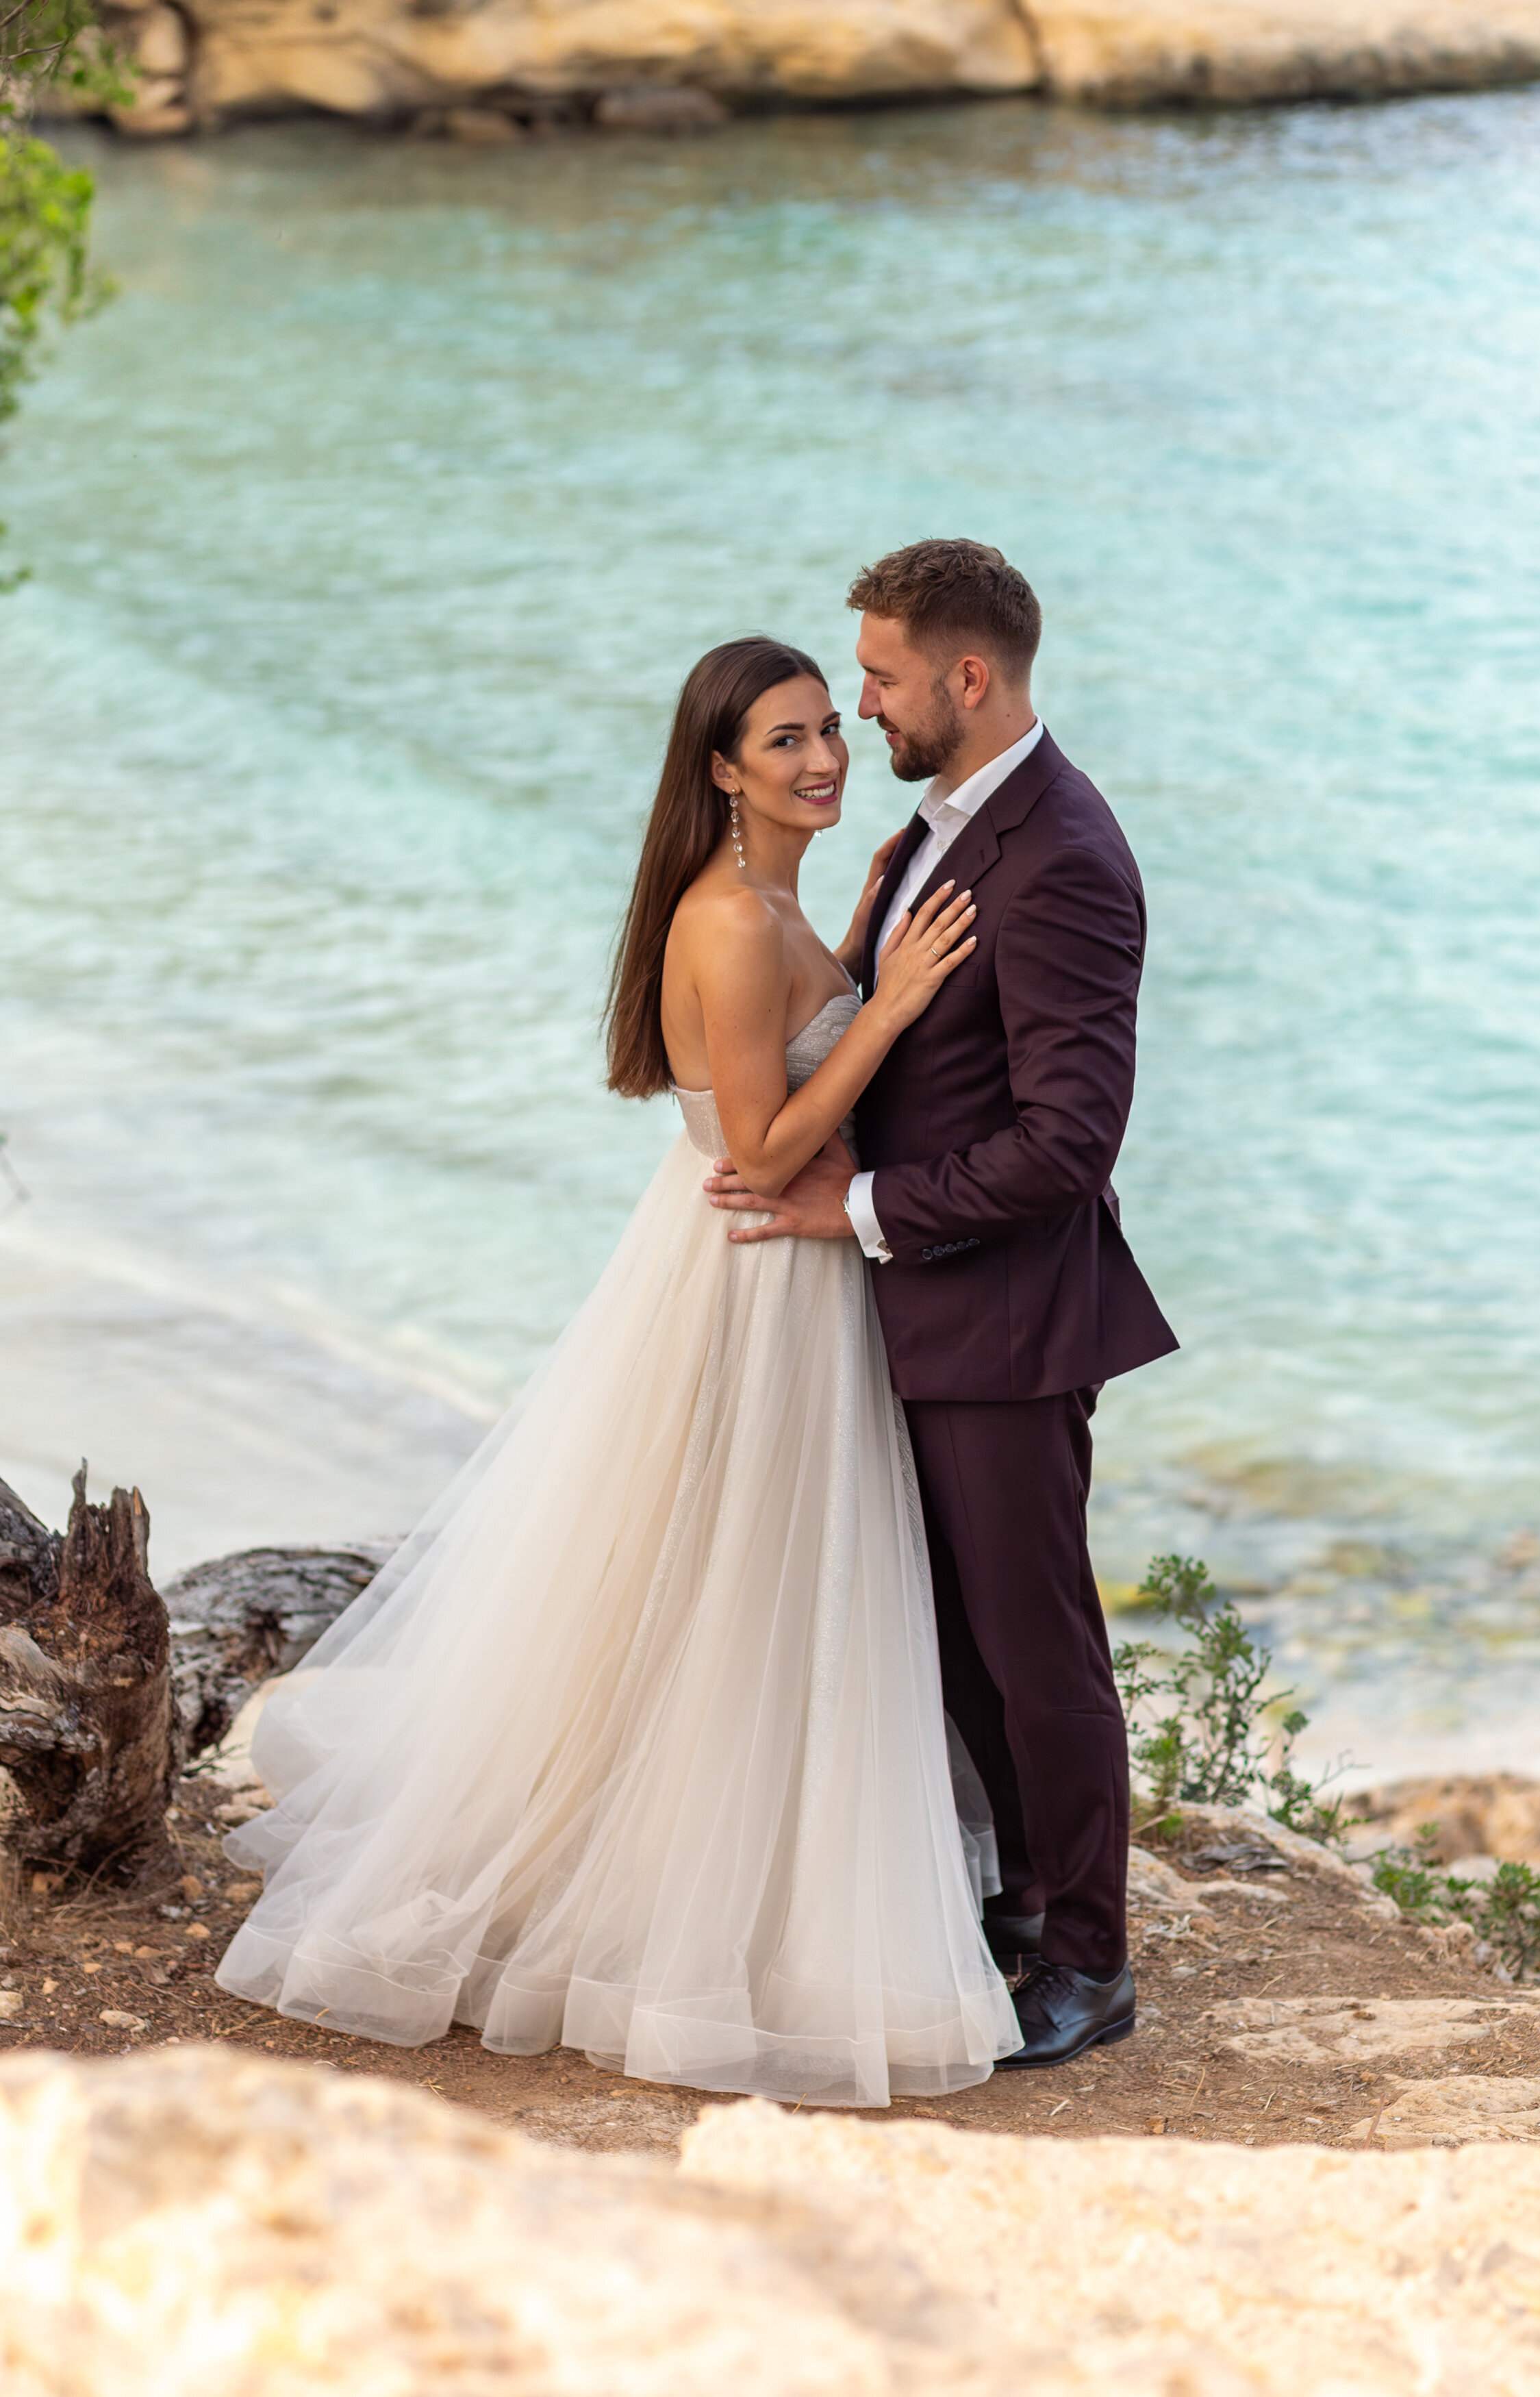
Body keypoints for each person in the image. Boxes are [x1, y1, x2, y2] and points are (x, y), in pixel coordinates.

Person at [215, 634, 1021, 2106]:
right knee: (726, 1583)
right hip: (752, 1275)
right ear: (720, 768)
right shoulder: (723, 917)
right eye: (784, 740)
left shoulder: (770, 899)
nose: (825, 756)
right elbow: (767, 1147)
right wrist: (889, 1005)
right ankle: (678, 1902)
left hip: (784, 1268)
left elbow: (786, 1052)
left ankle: (758, 1865)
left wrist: (852, 954)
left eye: (831, 727)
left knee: (748, 1587)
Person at [705, 543, 1177, 2069]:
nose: (861, 711)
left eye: (885, 681)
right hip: (916, 1316)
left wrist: (849, 1208)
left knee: (1037, 1646)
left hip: (1011, 1325)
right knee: (961, 1641)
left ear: (967, 680)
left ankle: (1090, 1963)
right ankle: (1029, 1904)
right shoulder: (936, 829)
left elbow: (1067, 1141)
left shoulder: (1066, 855)